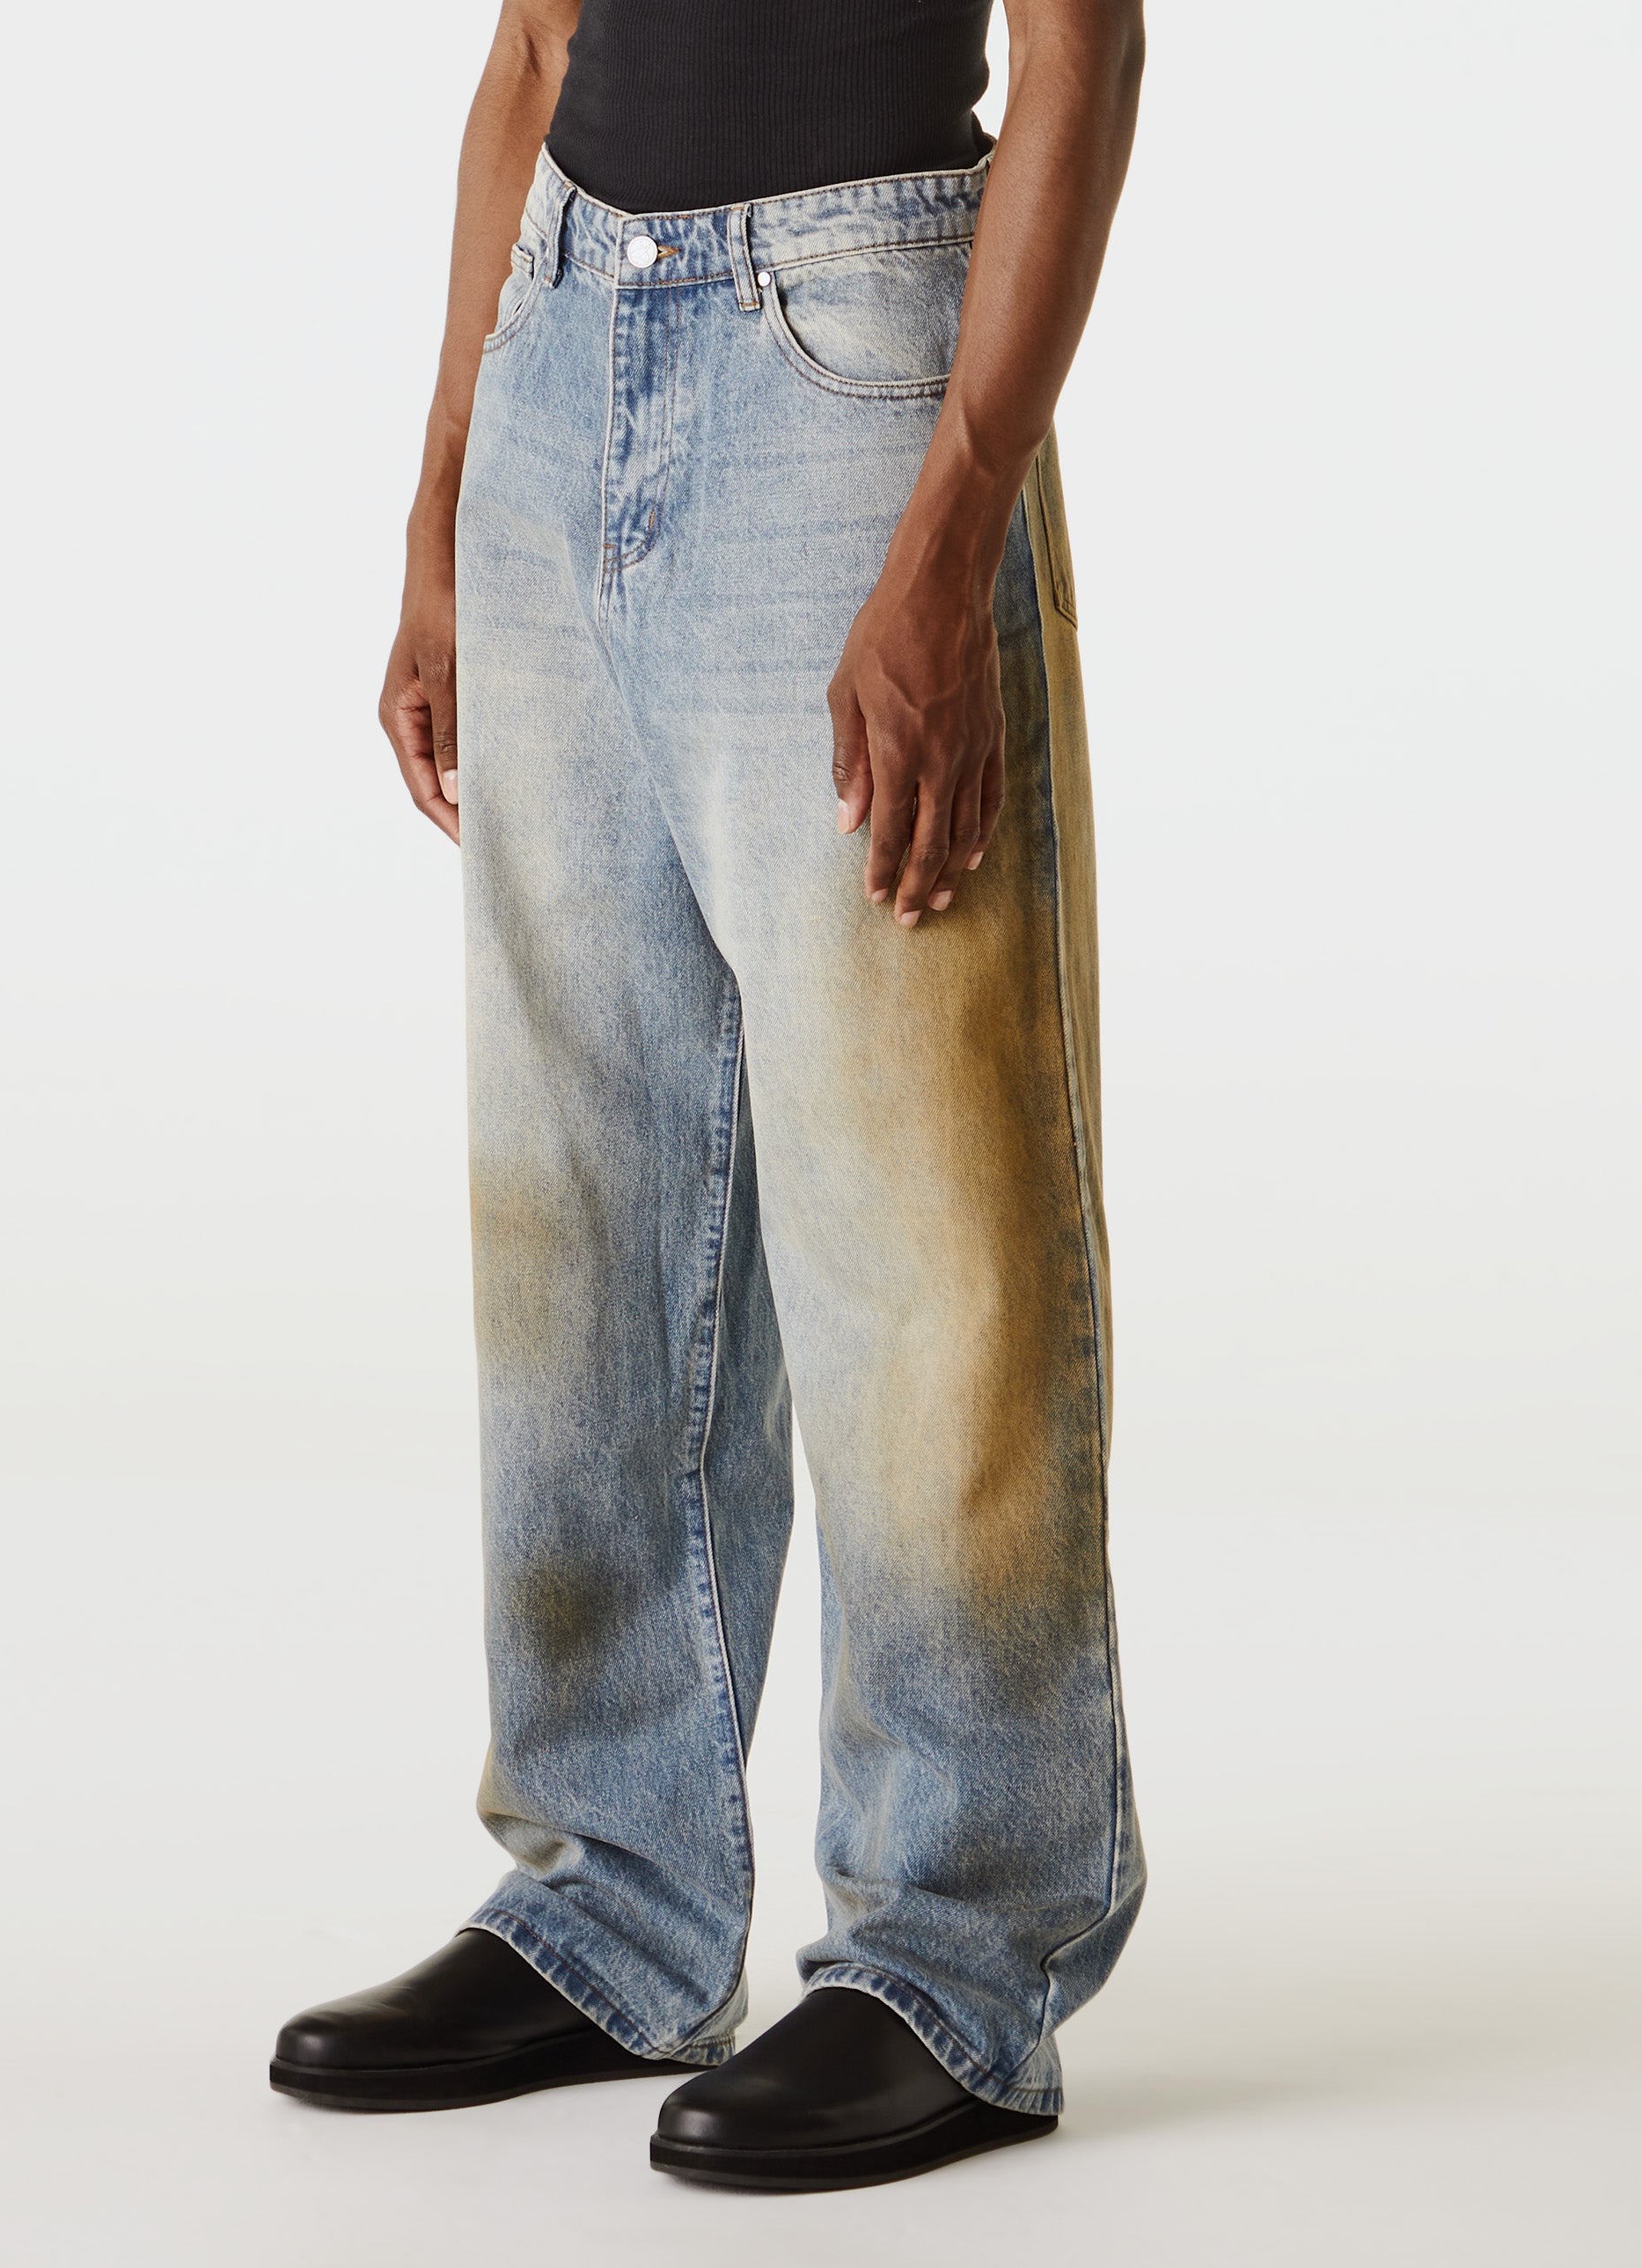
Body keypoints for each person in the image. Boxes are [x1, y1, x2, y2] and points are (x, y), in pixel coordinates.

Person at [272, 0, 1147, 2191]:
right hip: (563, 335)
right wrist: (445, 494)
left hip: (850, 357)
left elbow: (1081, 50)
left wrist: (953, 531)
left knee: (919, 1212)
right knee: (585, 1203)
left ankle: (956, 1948)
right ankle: (610, 1902)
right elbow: (531, 49)